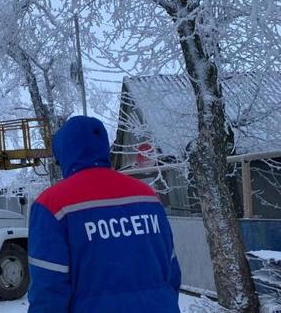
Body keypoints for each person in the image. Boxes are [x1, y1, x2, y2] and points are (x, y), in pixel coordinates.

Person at [27, 116, 181, 312]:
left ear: (64, 154)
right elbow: (172, 270)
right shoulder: (148, 197)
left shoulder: (52, 205)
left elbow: (48, 288)